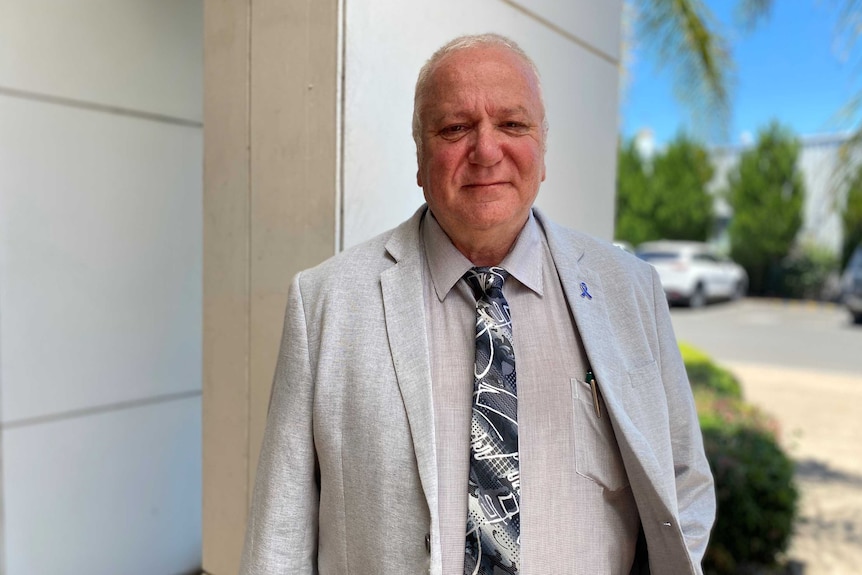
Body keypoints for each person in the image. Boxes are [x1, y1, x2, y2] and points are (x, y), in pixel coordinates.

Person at [239, 33, 715, 575]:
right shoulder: (326, 301)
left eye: (513, 125)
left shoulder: (629, 290)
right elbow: (280, 532)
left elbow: (682, 481)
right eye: (455, 128)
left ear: (542, 152)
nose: (487, 151)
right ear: (420, 158)